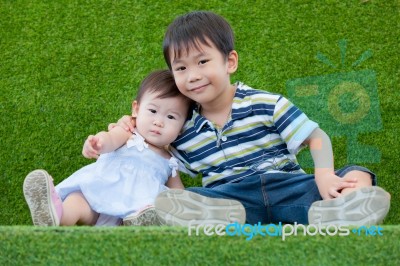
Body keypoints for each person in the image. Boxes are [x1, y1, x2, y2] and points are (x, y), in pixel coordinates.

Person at [112, 11, 391, 226]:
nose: (193, 75)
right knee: (186, 199)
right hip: (230, 199)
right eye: (181, 68)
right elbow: (154, 146)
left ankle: (341, 210)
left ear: (229, 62)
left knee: (356, 173)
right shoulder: (182, 128)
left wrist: (324, 175)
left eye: (202, 62)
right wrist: (128, 127)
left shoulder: (265, 103)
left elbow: (315, 139)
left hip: (288, 187)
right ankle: (211, 221)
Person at [23, 69, 192, 226]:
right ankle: (55, 215)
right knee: (77, 201)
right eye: (153, 111)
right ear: (136, 109)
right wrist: (98, 143)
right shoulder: (128, 133)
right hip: (100, 190)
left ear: (181, 128)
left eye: (171, 116)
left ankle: (142, 224)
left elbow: (179, 194)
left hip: (134, 211)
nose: (158, 121)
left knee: (149, 209)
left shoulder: (170, 161)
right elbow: (110, 139)